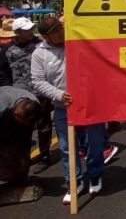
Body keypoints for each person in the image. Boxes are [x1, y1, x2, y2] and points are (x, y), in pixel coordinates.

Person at [31, 16, 107, 204]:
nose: (60, 33)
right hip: (63, 107)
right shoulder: (39, 54)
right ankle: (74, 182)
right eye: (55, 32)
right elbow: (38, 81)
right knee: (66, 148)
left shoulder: (78, 43)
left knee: (94, 143)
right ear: (45, 37)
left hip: (90, 104)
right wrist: (58, 94)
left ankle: (96, 175)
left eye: (60, 28)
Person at [0, 17, 53, 173]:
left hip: (41, 93)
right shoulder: (7, 50)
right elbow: (3, 72)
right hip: (18, 99)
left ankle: (44, 156)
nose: (30, 32)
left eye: (31, 29)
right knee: (22, 129)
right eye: (26, 30)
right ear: (17, 33)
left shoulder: (40, 46)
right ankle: (23, 158)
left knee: (44, 126)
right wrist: (9, 90)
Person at [0, 86, 42, 184]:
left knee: (21, 147)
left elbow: (26, 138)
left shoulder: (34, 103)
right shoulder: (2, 107)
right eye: (25, 122)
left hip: (11, 111)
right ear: (16, 114)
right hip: (3, 112)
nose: (27, 124)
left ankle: (19, 178)